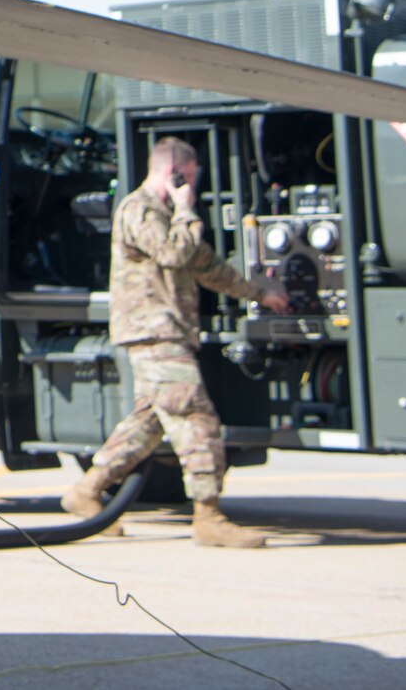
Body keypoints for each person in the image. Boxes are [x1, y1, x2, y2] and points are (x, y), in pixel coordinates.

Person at [60, 135, 289, 548]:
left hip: (166, 331)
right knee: (195, 418)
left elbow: (207, 266)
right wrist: (186, 211)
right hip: (153, 331)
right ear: (175, 174)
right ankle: (208, 515)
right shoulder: (140, 209)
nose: (193, 190)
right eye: (191, 181)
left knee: (148, 425)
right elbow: (171, 254)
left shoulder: (168, 215)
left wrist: (260, 292)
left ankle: (86, 490)